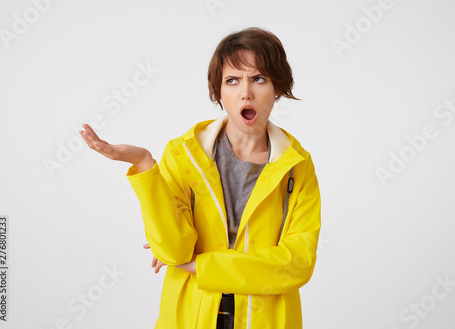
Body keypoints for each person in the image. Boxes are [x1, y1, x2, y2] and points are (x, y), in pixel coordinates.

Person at [80, 27, 321, 329]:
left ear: (278, 88)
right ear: (218, 92)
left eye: (258, 78)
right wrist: (144, 165)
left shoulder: (297, 166)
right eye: (232, 80)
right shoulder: (184, 155)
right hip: (189, 316)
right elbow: (173, 250)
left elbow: (296, 265)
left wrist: (199, 265)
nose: (245, 92)